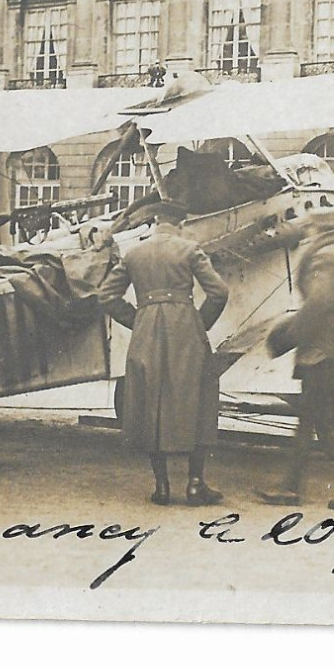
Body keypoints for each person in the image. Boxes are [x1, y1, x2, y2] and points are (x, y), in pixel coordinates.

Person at [98, 200, 229, 506]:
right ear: (179, 223)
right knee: (198, 397)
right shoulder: (190, 249)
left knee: (150, 400)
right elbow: (219, 292)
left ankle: (162, 487)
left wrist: (138, 318)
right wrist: (199, 322)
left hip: (147, 331)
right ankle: (196, 484)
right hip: (186, 329)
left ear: (156, 223)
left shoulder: (134, 253)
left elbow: (106, 295)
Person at [257, 204, 334, 513]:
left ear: (317, 230)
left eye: (308, 229)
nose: (305, 234)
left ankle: (290, 488)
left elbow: (318, 304)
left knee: (308, 418)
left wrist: (287, 336)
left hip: (323, 351)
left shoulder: (324, 258)